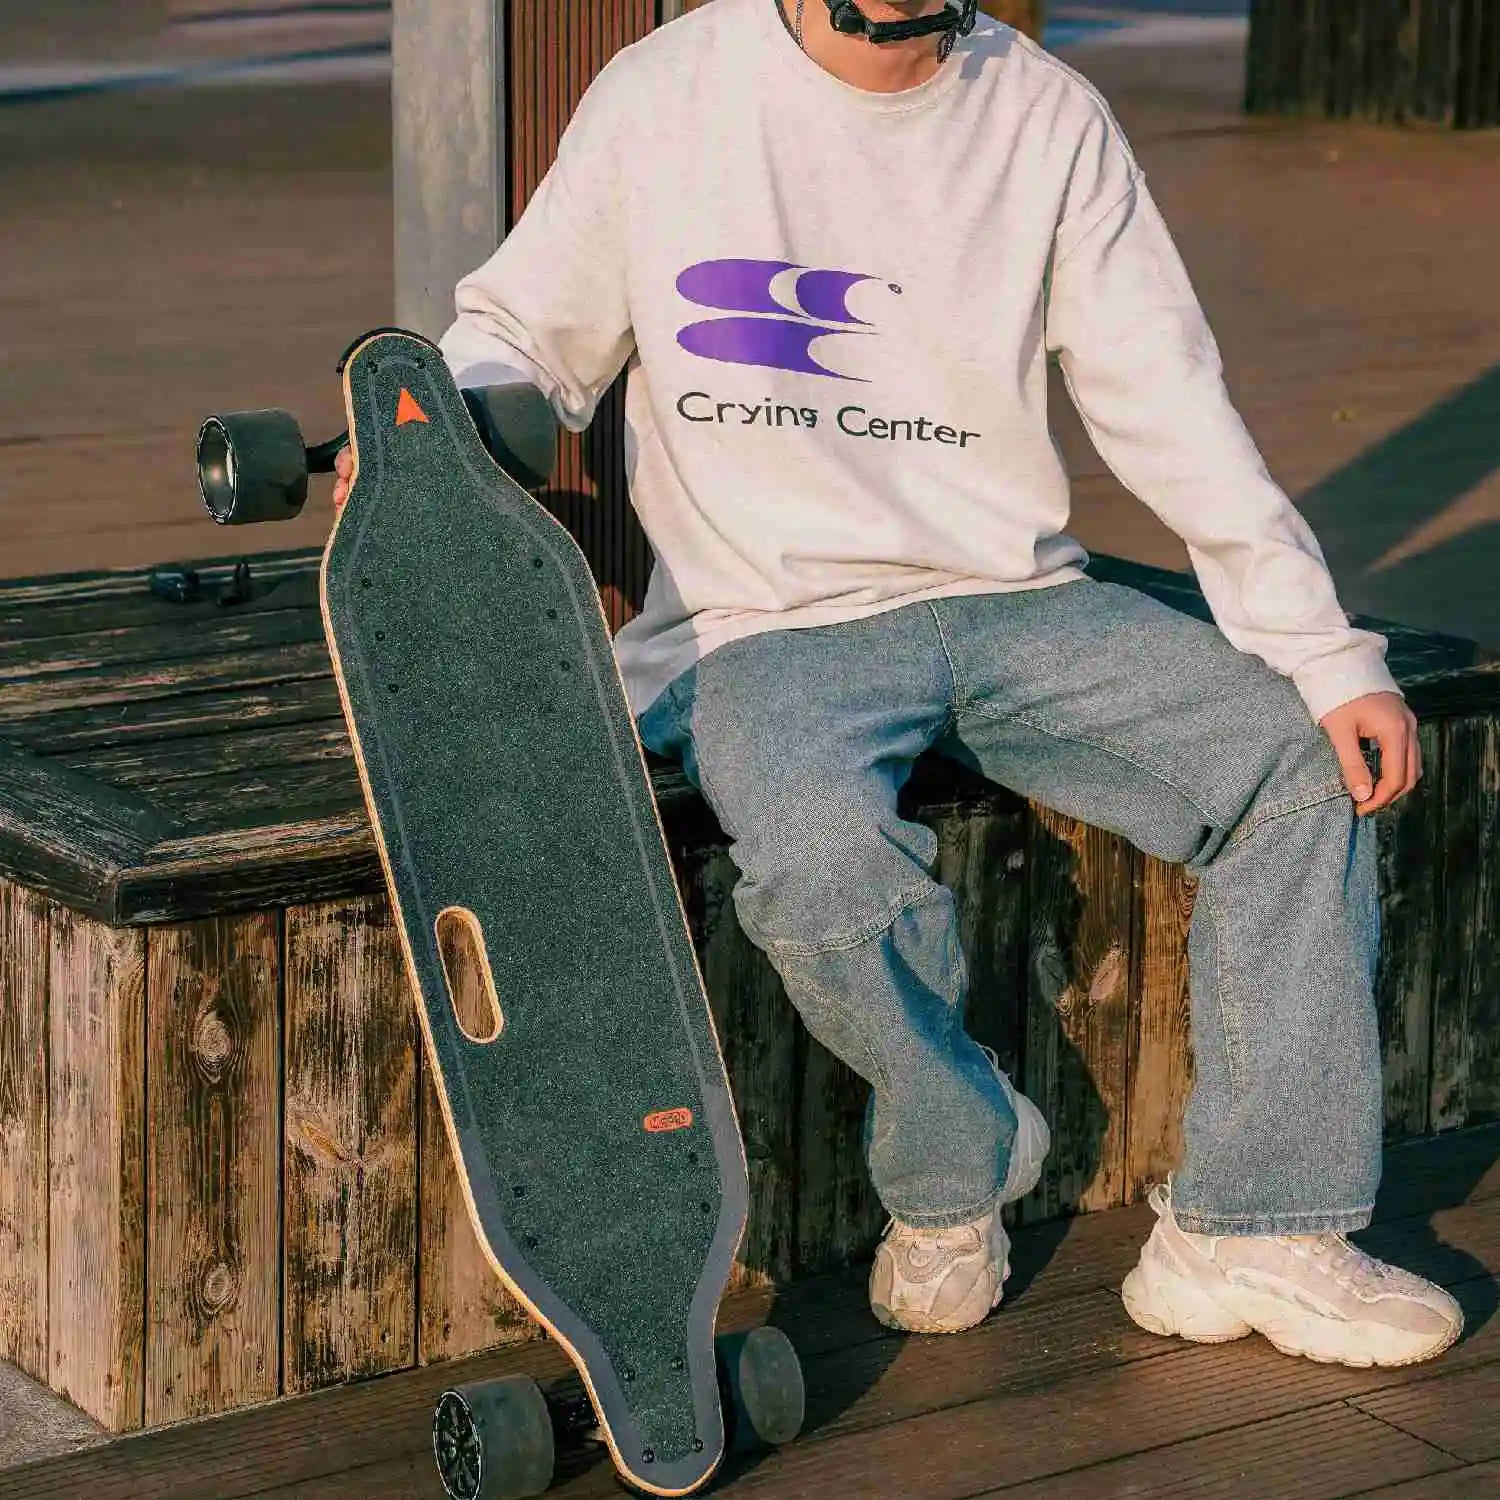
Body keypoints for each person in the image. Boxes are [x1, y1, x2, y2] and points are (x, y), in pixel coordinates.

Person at [334, 0, 1462, 1365]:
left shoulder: (1043, 114)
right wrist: (420, 450)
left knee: (1294, 762)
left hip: (1014, 598)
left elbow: (1166, 398)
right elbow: (525, 337)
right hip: (768, 622)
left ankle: (1250, 1229)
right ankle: (952, 1159)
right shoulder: (669, 91)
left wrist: (1325, 653)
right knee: (817, 860)